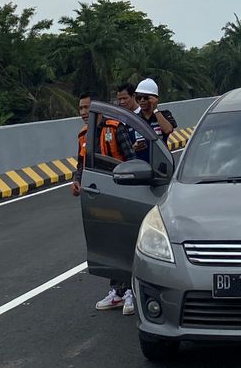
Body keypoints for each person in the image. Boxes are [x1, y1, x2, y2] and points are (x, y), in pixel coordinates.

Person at [75, 90, 137, 315]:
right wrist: (76, 180)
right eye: (80, 108)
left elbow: (131, 159)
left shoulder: (115, 128)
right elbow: (81, 165)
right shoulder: (84, 135)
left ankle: (132, 290)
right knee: (108, 244)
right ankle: (117, 291)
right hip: (99, 197)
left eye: (87, 108)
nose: (83, 113)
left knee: (125, 242)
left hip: (121, 195)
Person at [134, 78, 176, 151]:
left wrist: (155, 109)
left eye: (146, 98)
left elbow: (168, 130)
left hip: (161, 159)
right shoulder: (135, 119)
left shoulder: (164, 115)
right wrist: (134, 147)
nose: (142, 100)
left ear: (155, 99)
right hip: (142, 161)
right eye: (139, 97)